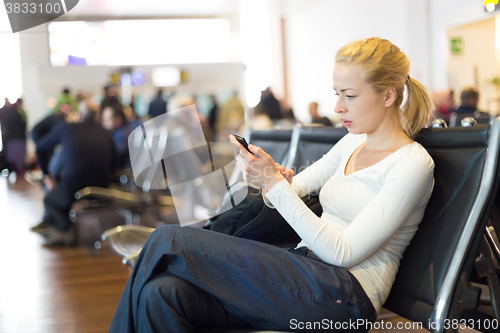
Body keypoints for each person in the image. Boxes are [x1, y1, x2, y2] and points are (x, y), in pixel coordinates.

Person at [110, 37, 435, 332]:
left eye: (349, 96)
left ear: (389, 95)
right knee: (162, 294)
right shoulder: (352, 144)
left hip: (345, 298)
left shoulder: (412, 163)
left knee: (168, 239)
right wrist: (270, 178)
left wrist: (276, 187)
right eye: (337, 94)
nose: (338, 107)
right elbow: (290, 192)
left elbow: (342, 252)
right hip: (305, 271)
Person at [32, 105, 115, 245]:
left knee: (50, 199)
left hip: (74, 186)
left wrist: (47, 176)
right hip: (102, 186)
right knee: (62, 193)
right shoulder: (105, 132)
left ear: (79, 116)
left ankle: (66, 230)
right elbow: (114, 162)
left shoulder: (68, 127)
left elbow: (40, 148)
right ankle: (58, 227)